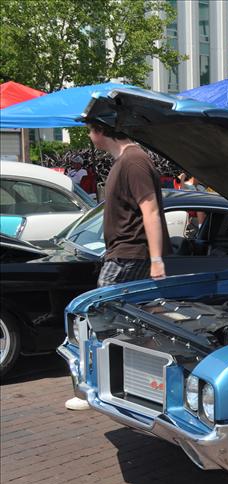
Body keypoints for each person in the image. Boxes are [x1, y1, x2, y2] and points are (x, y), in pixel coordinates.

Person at [64, 123, 172, 411]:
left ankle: (92, 389)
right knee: (131, 323)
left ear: (101, 131)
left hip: (129, 255)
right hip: (124, 253)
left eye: (90, 130)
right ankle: (138, 385)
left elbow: (150, 210)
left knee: (96, 315)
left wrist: (156, 259)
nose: (89, 136)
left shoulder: (134, 161)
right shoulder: (127, 160)